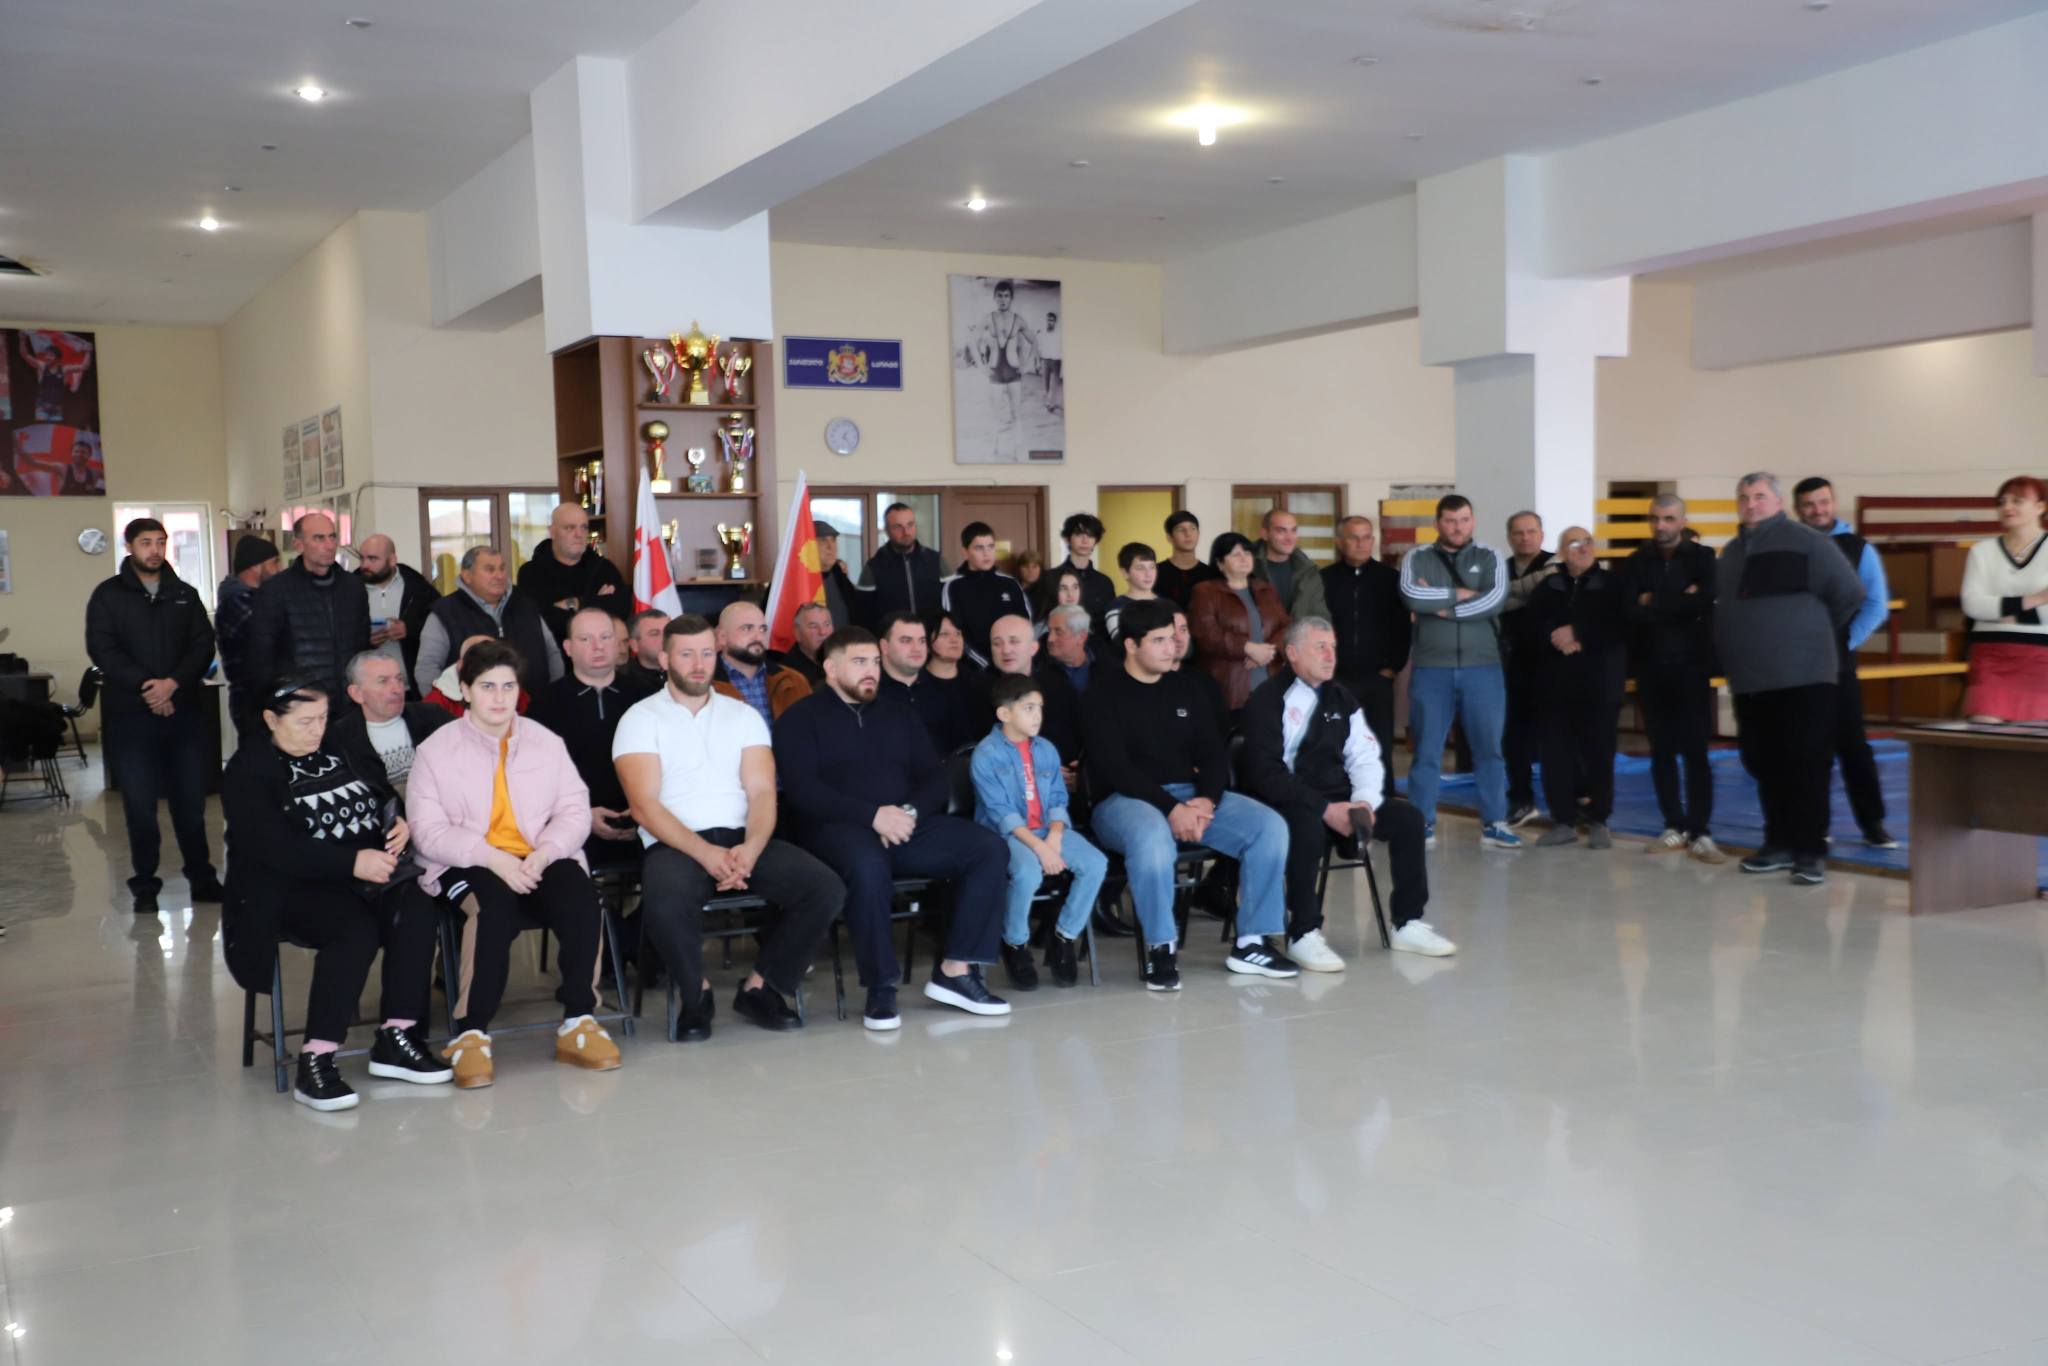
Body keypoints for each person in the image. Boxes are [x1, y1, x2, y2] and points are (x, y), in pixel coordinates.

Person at [220, 677, 452, 1110]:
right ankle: (317, 1059)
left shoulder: (338, 746)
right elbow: (273, 849)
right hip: (291, 887)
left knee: (418, 909)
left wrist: (398, 821)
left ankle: (397, 1036)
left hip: (366, 874)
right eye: (305, 721)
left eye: (323, 718)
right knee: (354, 931)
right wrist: (351, 862)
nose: (317, 730)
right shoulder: (249, 771)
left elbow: (380, 792)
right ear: (271, 719)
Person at [614, 615, 843, 1039]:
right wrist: (707, 854)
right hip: (676, 843)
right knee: (664, 900)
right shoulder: (639, 718)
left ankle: (762, 987)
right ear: (664, 659)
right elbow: (644, 807)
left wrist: (751, 849)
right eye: (686, 654)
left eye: (706, 653)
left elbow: (762, 793)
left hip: (743, 839)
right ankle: (696, 995)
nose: (699, 664)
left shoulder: (743, 715)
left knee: (825, 888)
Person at [406, 640, 622, 1087]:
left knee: (582, 898)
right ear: (465, 690)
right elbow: (427, 832)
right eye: (487, 686)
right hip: (465, 859)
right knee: (494, 908)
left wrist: (545, 852)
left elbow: (574, 810)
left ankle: (579, 1020)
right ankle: (471, 1032)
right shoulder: (435, 751)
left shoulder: (545, 742)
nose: (499, 698)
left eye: (508, 686)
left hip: (538, 855)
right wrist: (493, 858)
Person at [773, 627, 1011, 1030]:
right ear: (831, 668)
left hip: (904, 824)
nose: (871, 671)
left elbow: (934, 778)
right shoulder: (800, 719)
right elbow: (803, 791)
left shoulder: (898, 713)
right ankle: (881, 985)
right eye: (859, 662)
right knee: (868, 866)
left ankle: (956, 970)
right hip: (835, 829)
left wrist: (908, 813)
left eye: (874, 662)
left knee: (988, 848)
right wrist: (872, 816)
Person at [1083, 600, 1297, 988]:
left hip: (1189, 797)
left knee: (1269, 827)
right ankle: (1160, 948)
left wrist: (1205, 802)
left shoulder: (1187, 687)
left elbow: (1213, 754)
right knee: (1152, 838)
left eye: (1174, 637)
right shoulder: (1103, 693)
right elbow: (1116, 769)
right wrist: (1172, 809)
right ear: (1131, 645)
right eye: (1159, 640)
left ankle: (1252, 942)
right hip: (1124, 801)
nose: (1173, 647)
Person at [1242, 618, 1452, 968]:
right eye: (1320, 647)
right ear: (1292, 653)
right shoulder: (1267, 700)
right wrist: (1325, 809)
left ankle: (1407, 922)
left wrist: (1364, 803)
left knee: (1409, 819)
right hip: (1289, 799)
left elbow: (1364, 757)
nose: (1330, 656)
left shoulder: (1342, 697)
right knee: (1307, 827)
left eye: (1333, 648)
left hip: (1342, 797)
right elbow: (1266, 774)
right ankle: (1303, 932)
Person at [1716, 472, 1866, 886]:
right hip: (1751, 679)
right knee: (1764, 762)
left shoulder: (1809, 542)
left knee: (1807, 763)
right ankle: (1778, 843)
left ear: (1778, 502)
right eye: (1744, 496)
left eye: (1759, 496)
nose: (1751, 503)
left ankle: (1810, 850)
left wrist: (1809, 636)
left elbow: (1850, 593)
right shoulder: (1731, 552)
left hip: (1805, 677)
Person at [85, 516, 221, 911]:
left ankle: (202, 879)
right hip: (131, 716)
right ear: (129, 546)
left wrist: (173, 683)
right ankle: (145, 885)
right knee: (140, 806)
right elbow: (103, 649)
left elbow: (202, 645)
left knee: (191, 804)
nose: (155, 550)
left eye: (161, 542)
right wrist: (149, 686)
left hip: (184, 713)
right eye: (146, 542)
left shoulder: (184, 593)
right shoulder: (108, 595)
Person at [1399, 495, 1522, 850]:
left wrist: (1444, 609)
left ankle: (1494, 822)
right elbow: (1411, 596)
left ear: (1473, 521)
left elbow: (1494, 600)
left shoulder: (1490, 556)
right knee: (1427, 750)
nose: (1457, 527)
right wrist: (1461, 593)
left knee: (1489, 749)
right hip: (1431, 669)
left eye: (1464, 519)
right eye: (1450, 520)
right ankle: (1421, 822)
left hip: (1483, 668)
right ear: (1437, 523)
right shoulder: (1416, 557)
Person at [972, 673, 1109, 990]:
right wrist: (1041, 848)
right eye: (1028, 708)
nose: (1038, 716)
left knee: (1095, 864)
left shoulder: (1046, 749)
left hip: (1047, 829)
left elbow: (1059, 799)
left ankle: (1063, 937)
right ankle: (1015, 942)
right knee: (1028, 873)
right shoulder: (987, 754)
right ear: (1004, 713)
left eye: (1040, 708)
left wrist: (1056, 837)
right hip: (1006, 834)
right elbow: (1001, 814)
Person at [1618, 495, 1723, 863]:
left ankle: (1700, 830)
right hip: (1651, 668)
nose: (1660, 525)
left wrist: (1652, 601)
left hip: (1692, 667)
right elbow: (1628, 610)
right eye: (1655, 518)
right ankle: (1673, 824)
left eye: (1668, 518)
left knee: (1696, 751)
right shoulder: (1636, 561)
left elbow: (1704, 601)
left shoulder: (1703, 558)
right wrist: (1678, 600)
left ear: (1682, 521)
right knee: (1661, 750)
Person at [1793, 476, 1895, 848]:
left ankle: (1873, 823)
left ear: (1833, 502)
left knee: (1853, 744)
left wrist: (1844, 643)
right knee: (1808, 746)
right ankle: (1814, 824)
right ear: (1798, 509)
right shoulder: (1790, 547)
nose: (1817, 510)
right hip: (1796, 664)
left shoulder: (1858, 548)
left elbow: (1875, 604)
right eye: (1809, 504)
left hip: (1838, 662)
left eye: (1823, 502)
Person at [1524, 528, 1627, 850]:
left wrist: (1579, 633)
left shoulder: (1612, 585)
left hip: (1600, 686)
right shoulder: (1548, 586)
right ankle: (1563, 821)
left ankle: (1599, 820)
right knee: (1556, 756)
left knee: (1599, 754)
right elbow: (1531, 627)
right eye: (1574, 543)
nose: (1583, 548)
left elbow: (1620, 625)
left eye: (1587, 542)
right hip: (1555, 687)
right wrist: (1555, 637)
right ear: (1561, 552)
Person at [529, 605, 654, 869]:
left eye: (605, 637)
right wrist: (582, 815)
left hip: (646, 819)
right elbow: (534, 778)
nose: (598, 646)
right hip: (568, 822)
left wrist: (644, 812)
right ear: (568, 648)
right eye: (586, 639)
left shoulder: (648, 698)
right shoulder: (544, 705)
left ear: (619, 644)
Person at [244, 511, 371, 709]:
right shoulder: (275, 590)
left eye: (332, 537)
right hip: (300, 705)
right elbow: (261, 657)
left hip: (349, 703)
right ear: (299, 545)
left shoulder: (353, 587)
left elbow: (362, 647)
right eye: (319, 538)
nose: (329, 545)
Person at [1321, 516, 1408, 804]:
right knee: (1337, 739)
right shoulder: (1325, 579)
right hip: (1337, 677)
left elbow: (1402, 627)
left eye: (1366, 537)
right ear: (1339, 542)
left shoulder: (1390, 579)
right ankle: (1343, 799)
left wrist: (1392, 666)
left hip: (1378, 677)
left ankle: (1383, 802)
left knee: (1379, 741)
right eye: (1353, 537)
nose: (1361, 543)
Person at [414, 546, 561, 699]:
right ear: (467, 576)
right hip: (471, 712)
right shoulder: (445, 612)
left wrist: (553, 697)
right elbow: (427, 668)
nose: (499, 576)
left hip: (534, 708)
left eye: (502, 568)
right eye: (490, 569)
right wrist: (443, 708)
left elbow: (552, 653)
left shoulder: (526, 604)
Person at [1961, 474, 2048, 722]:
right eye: (2002, 502)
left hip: (2041, 657)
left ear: (2040, 507)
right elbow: (1972, 605)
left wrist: (1999, 611)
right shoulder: (1981, 551)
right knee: (1984, 730)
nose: (2007, 507)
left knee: (2033, 738)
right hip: (1991, 656)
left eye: (2017, 501)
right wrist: (2035, 599)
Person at [327, 650, 452, 802]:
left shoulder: (434, 717)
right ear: (357, 693)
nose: (397, 689)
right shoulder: (338, 739)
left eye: (399, 679)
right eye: (383, 681)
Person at [1188, 531, 1290, 715]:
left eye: (1247, 553)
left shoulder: (1265, 589)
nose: (1244, 558)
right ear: (1220, 563)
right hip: (1230, 687)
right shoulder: (1205, 591)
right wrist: (1247, 648)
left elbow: (1285, 625)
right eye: (1236, 554)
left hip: (1270, 682)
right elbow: (1206, 635)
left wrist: (1268, 650)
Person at [1497, 510, 1556, 827]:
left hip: (1550, 663)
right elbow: (1492, 603)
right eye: (1518, 532)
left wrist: (1506, 594)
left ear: (1541, 535)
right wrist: (1531, 590)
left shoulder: (1556, 565)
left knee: (1555, 734)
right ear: (1509, 537)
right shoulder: (1499, 568)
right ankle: (1521, 799)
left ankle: (1568, 800)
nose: (1525, 538)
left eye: (1531, 531)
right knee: (1514, 736)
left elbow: (1545, 597)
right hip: (1512, 663)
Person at [517, 502, 630, 646]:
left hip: (600, 653)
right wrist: (596, 603)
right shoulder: (531, 573)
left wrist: (575, 603)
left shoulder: (604, 568)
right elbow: (540, 622)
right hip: (552, 655)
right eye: (570, 528)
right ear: (552, 532)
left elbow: (621, 609)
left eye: (584, 527)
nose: (579, 534)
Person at [986, 613, 1083, 778]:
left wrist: (1078, 769)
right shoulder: (980, 691)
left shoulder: (1057, 685)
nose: (1006, 650)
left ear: (1033, 648)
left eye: (1014, 641)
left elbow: (1079, 733)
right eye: (997, 643)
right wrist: (1039, 770)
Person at [876, 611, 979, 756]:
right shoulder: (870, 693)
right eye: (906, 640)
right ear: (884, 647)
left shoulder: (942, 689)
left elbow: (963, 748)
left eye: (922, 641)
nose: (917, 648)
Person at [215, 535, 282, 743]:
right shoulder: (235, 602)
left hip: (266, 694)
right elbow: (275, 634)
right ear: (256, 566)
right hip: (250, 698)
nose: (279, 569)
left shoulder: (259, 598)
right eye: (274, 563)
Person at [356, 534, 440, 698]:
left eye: (372, 559)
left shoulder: (419, 588)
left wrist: (409, 630)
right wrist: (365, 640)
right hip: (368, 692)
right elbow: (339, 637)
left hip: (414, 691)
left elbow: (439, 628)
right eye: (362, 558)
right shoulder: (349, 591)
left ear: (392, 560)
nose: (365, 565)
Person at [940, 520, 1031, 667]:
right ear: (965, 552)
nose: (986, 553)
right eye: (979, 548)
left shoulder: (1010, 584)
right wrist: (984, 664)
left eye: (990, 547)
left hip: (1011, 664)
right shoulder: (953, 587)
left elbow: (1025, 626)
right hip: (974, 668)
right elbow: (954, 632)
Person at [711, 599, 812, 725]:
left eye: (762, 629)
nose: (758, 637)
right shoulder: (702, 685)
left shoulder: (794, 681)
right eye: (747, 629)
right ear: (722, 637)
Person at [860, 502, 944, 619]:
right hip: (891, 631)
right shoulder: (873, 567)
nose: (906, 532)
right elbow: (863, 614)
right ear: (886, 530)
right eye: (898, 527)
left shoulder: (936, 560)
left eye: (910, 524)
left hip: (931, 630)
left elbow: (952, 602)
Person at [1253, 508, 1330, 624]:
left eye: (1293, 530)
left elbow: (1319, 617)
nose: (1289, 538)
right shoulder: (1247, 567)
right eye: (1281, 531)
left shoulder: (1309, 572)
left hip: (1298, 635)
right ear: (1265, 534)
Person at [1054, 512, 1116, 633]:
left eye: (1090, 535)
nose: (1085, 540)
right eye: (1079, 535)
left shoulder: (1104, 582)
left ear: (1096, 541)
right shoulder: (1051, 578)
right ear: (1067, 539)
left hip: (1097, 643)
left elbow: (1108, 624)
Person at [1155, 510, 1220, 607]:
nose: (1188, 534)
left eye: (1192, 528)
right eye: (1181, 530)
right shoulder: (1156, 573)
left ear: (1198, 534)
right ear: (1169, 537)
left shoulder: (1211, 574)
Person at [812, 521, 869, 630]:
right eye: (823, 540)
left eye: (833, 540)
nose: (830, 547)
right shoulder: (802, 581)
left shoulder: (839, 574)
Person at [1104, 542, 1161, 643]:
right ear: (1125, 573)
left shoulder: (1165, 605)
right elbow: (1123, 645)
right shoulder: (1116, 608)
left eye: (1152, 567)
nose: (1148, 574)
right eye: (1140, 568)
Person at [1043, 604, 1096, 694]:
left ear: (1081, 637)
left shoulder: (1106, 668)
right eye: (1049, 631)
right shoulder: (1039, 671)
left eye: (1058, 631)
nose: (1050, 639)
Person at [782, 602, 833, 684]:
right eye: (813, 626)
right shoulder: (788, 675)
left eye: (827, 624)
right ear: (797, 633)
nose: (823, 632)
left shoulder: (840, 659)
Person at [1032, 563, 1088, 634]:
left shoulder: (1083, 623)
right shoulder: (1043, 631)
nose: (1070, 594)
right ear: (1052, 591)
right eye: (1063, 588)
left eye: (1075, 587)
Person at [623, 609, 670, 692]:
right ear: (634, 645)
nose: (665, 638)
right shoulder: (624, 682)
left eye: (668, 632)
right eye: (655, 634)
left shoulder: (686, 671)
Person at [1037, 310, 1064, 415]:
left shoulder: (1059, 334)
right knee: (1045, 383)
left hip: (1056, 361)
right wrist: (1038, 361)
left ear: (1055, 322)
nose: (1049, 322)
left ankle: (1052, 404)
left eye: (1052, 320)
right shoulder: (1042, 333)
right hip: (1045, 360)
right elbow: (1039, 347)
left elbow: (1062, 347)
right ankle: (1048, 401)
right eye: (1048, 320)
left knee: (1055, 384)